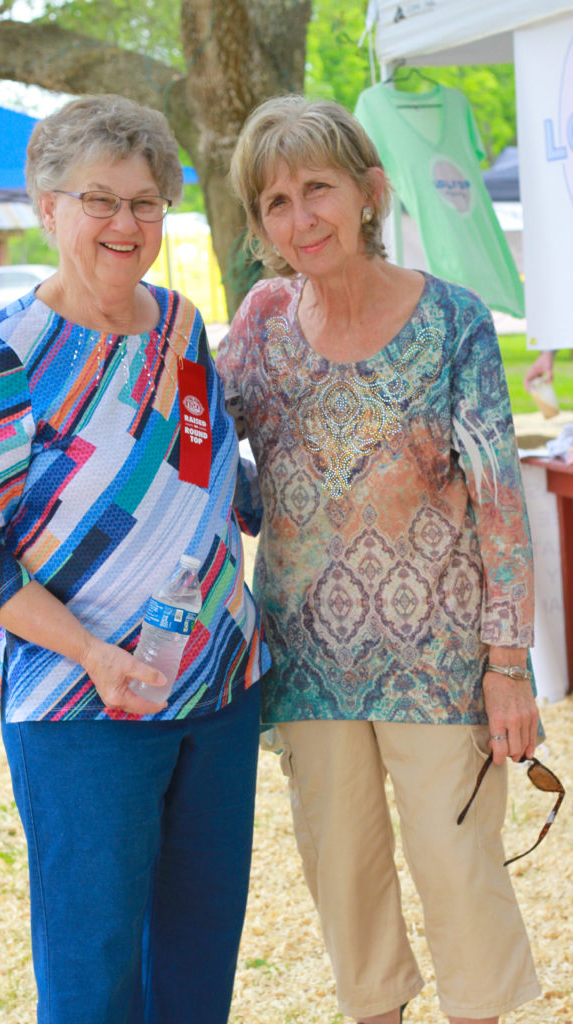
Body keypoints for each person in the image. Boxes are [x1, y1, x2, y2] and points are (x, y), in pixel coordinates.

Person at [0, 95, 270, 1024]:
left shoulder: (183, 329)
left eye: (146, 204)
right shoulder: (5, 360)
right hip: (80, 706)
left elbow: (207, 472)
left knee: (198, 960)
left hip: (215, 688)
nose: (126, 225)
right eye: (99, 200)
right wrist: (90, 653)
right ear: (46, 206)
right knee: (93, 968)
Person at [216, 95, 541, 1024]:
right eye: (275, 202)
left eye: (316, 189)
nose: (299, 218)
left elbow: (498, 503)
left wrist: (506, 666)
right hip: (308, 662)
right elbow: (227, 472)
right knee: (341, 877)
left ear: (368, 192)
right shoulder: (263, 318)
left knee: (457, 870)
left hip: (437, 663)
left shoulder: (452, 321)